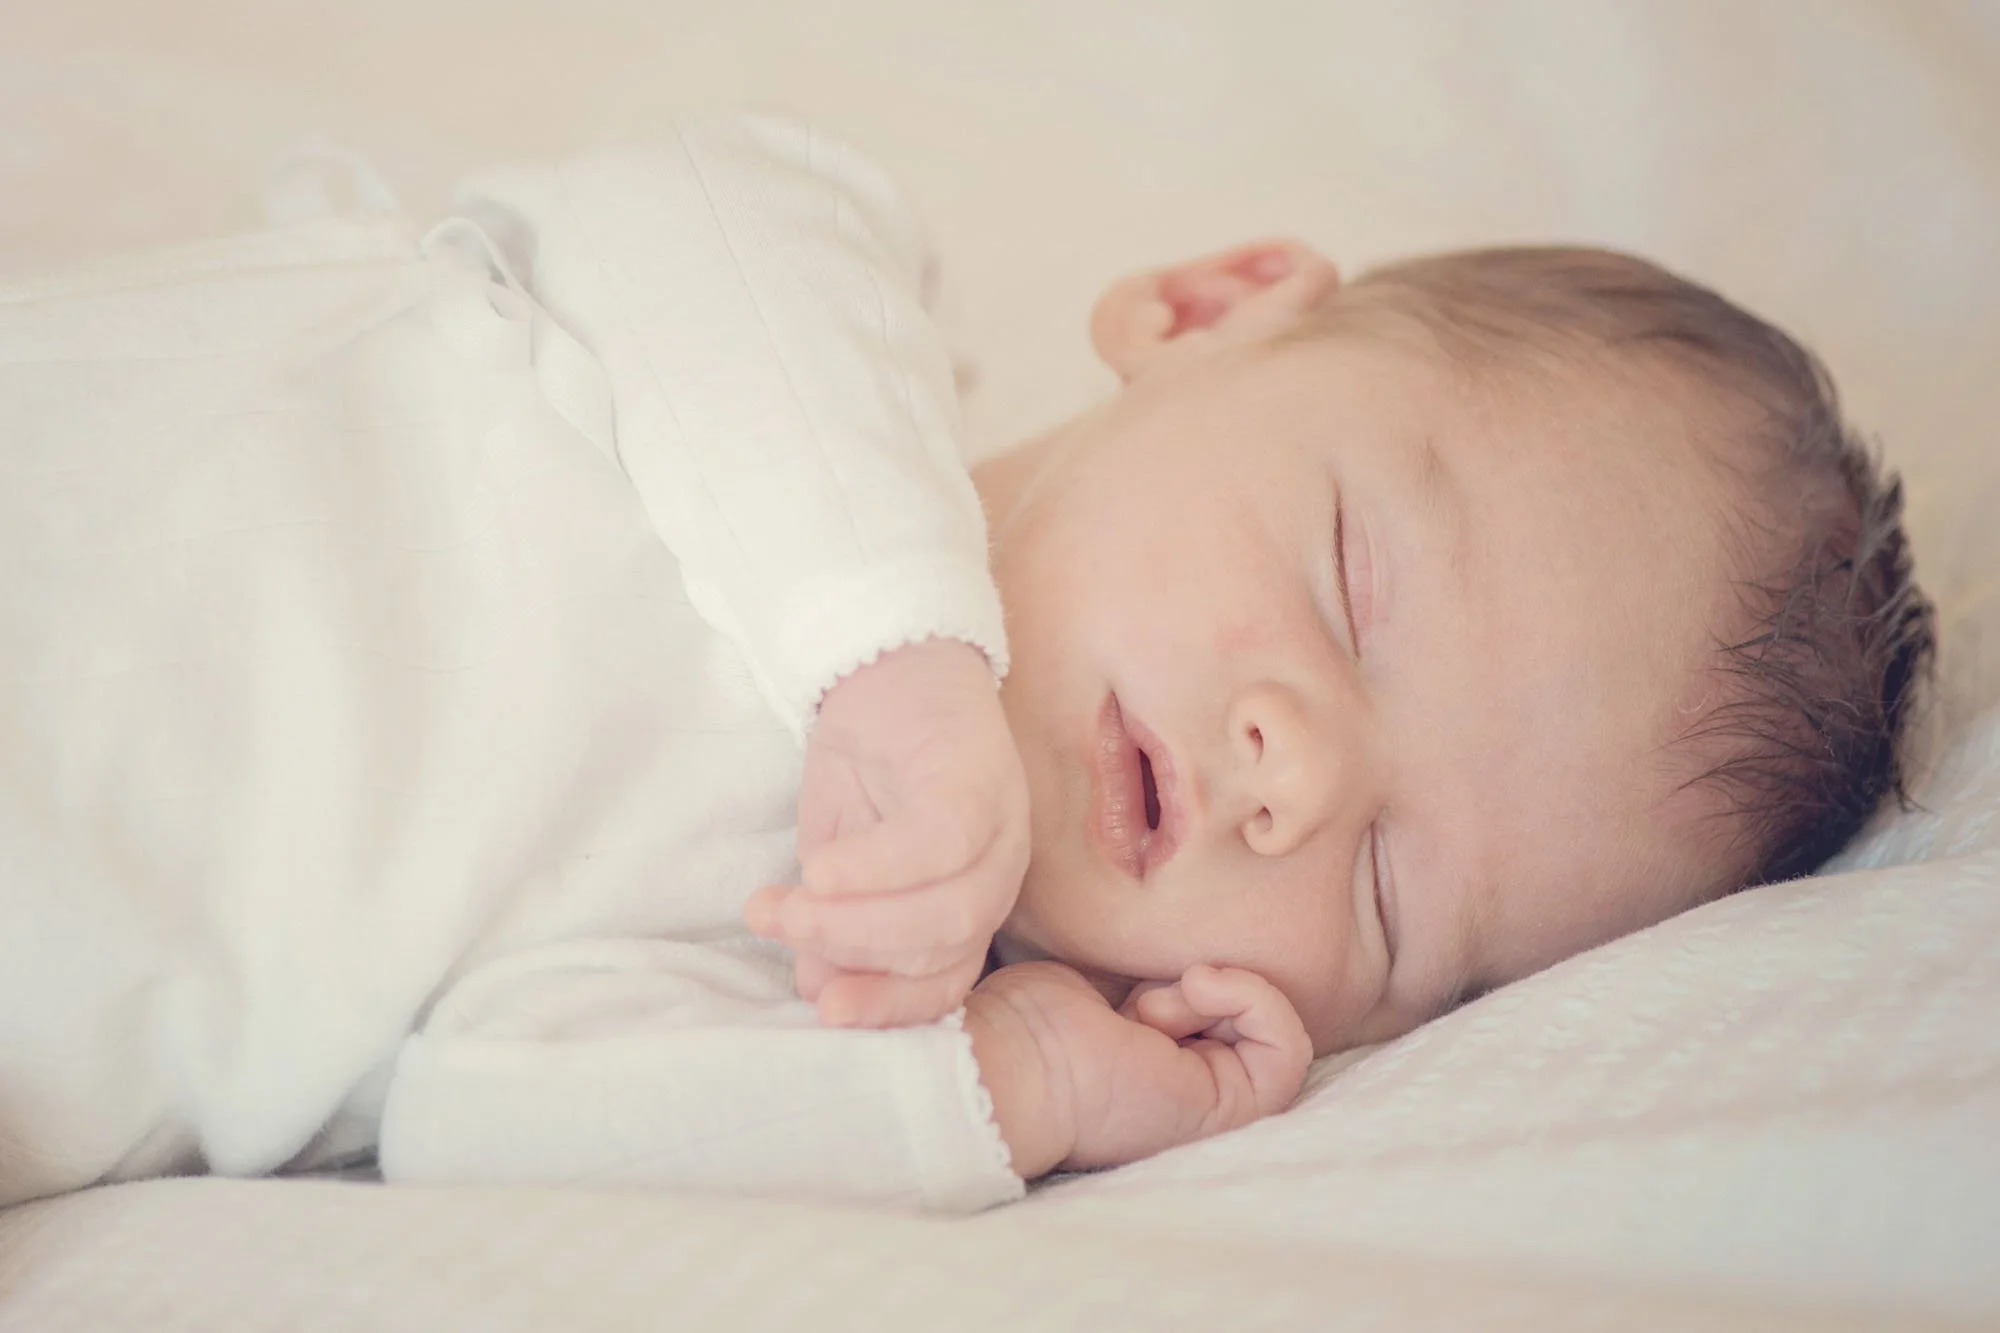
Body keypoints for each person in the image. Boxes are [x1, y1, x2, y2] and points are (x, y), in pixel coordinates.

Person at [0, 113, 1932, 1212]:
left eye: (1392, 890)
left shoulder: (836, 960)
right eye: (1355, 585)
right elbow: (682, 201)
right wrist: (893, 654)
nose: (1296, 769)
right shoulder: (821, 335)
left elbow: (481, 1106)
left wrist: (1001, 1086)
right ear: (1207, 310)